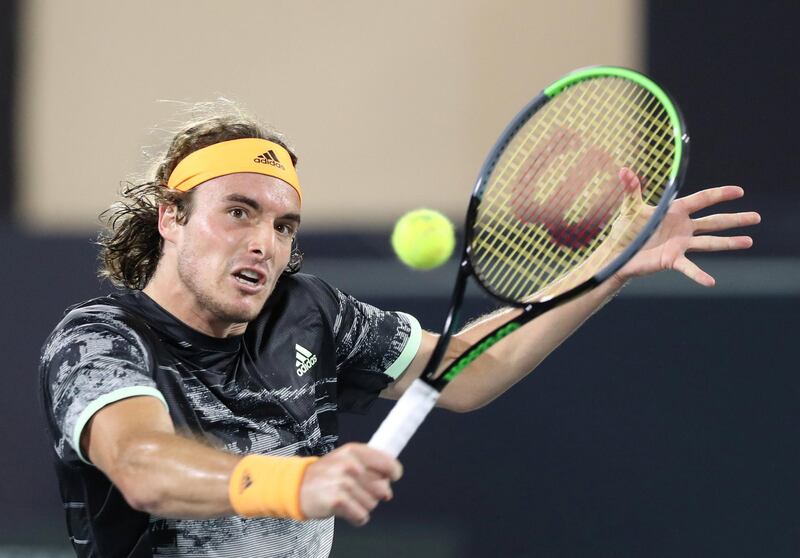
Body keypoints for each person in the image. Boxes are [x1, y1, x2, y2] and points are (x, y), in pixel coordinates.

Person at [39, 106, 760, 558]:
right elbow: (141, 466)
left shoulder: (309, 312)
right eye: (238, 212)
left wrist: (612, 264)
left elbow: (467, 370)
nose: (264, 243)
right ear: (172, 217)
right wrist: (301, 481)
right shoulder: (102, 338)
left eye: (284, 225)